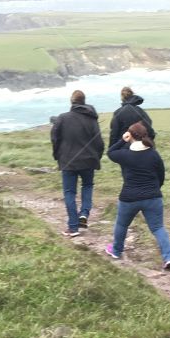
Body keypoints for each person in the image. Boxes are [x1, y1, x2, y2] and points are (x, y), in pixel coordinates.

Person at [104, 121, 170, 269]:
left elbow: (110, 153)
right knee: (158, 228)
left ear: (130, 136)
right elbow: (161, 175)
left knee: (122, 224)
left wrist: (122, 140)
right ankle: (168, 257)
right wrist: (155, 189)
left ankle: (116, 251)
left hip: (129, 198)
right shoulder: (153, 154)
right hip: (153, 197)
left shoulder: (125, 154)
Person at [50, 89, 104, 236]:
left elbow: (54, 138)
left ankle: (73, 227)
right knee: (87, 186)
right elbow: (99, 143)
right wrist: (96, 157)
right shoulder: (92, 120)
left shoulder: (62, 118)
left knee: (69, 192)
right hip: (89, 161)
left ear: (72, 102)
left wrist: (57, 156)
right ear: (84, 102)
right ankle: (84, 214)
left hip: (68, 161)